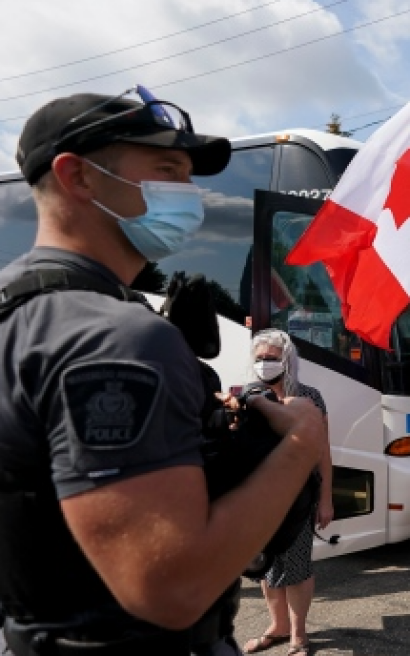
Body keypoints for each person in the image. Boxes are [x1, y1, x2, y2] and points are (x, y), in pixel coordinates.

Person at [0, 90, 327, 655]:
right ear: (78, 177)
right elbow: (171, 589)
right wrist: (300, 442)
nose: (190, 193)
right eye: (167, 171)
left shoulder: (19, 312)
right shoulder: (115, 337)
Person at [242, 330, 333, 656]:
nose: (264, 364)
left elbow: (323, 451)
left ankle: (298, 635)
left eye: (271, 358)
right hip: (259, 497)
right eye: (260, 358)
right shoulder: (249, 395)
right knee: (266, 565)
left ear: (287, 360)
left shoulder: (310, 397)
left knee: (296, 566)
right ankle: (277, 626)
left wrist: (326, 500)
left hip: (299, 497)